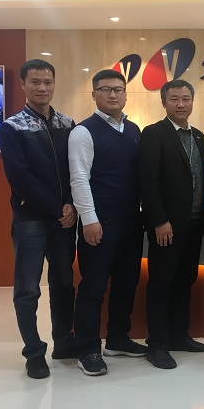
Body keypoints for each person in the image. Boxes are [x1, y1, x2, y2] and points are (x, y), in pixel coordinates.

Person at [0, 59, 77, 379]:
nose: (42, 87)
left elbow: (76, 169)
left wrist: (71, 203)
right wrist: (57, 207)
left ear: (54, 84)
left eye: (47, 82)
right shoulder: (12, 126)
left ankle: (64, 342)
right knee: (28, 289)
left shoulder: (67, 123)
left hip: (64, 220)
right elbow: (19, 177)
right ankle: (33, 352)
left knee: (63, 284)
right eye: (35, 82)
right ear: (23, 85)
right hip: (30, 219)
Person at [69, 69, 146, 376]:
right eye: (105, 89)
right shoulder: (83, 132)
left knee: (127, 283)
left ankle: (117, 339)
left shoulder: (134, 130)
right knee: (93, 287)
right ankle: (87, 349)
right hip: (99, 224)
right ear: (94, 94)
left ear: (125, 94)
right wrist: (89, 219)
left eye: (118, 89)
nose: (113, 94)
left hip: (131, 223)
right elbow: (79, 178)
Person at [139, 80, 204, 369]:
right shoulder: (153, 133)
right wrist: (159, 220)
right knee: (161, 284)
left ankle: (179, 335)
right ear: (164, 102)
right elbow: (147, 182)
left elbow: (201, 179)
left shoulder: (198, 136)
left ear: (192, 101)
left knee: (185, 281)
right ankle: (157, 344)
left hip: (194, 223)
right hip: (166, 226)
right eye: (174, 99)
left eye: (186, 98)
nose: (181, 104)